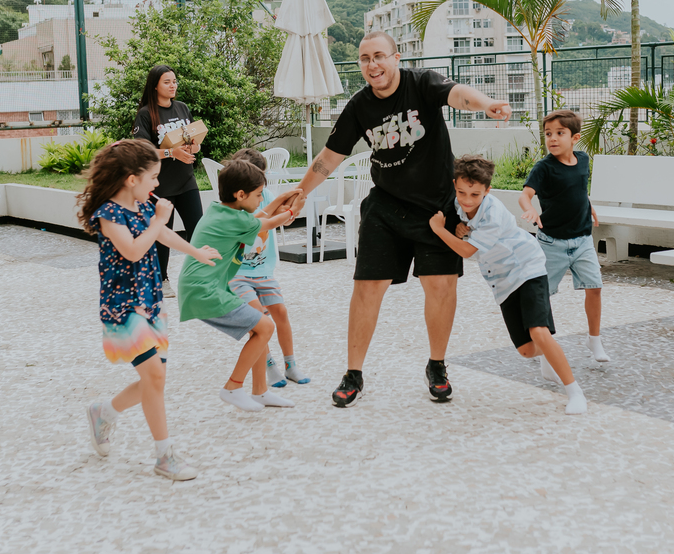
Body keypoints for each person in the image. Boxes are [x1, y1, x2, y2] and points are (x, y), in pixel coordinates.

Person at [287, 30, 511, 408]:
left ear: (396, 57)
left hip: (436, 210)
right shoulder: (359, 106)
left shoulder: (421, 83)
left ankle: (437, 366)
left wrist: (486, 103)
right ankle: (353, 372)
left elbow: (456, 94)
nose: (372, 65)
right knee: (367, 288)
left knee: (440, 287)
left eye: (379, 56)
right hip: (385, 207)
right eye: (364, 59)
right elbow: (329, 157)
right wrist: (301, 191)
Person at [78, 139, 222, 480]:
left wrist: (196, 251)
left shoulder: (145, 205)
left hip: (149, 302)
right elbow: (132, 249)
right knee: (155, 377)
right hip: (123, 307)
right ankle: (165, 456)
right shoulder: (110, 214)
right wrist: (159, 221)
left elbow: (163, 237)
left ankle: (104, 412)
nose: (157, 183)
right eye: (153, 177)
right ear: (132, 179)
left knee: (152, 381)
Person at [430, 155, 587, 415]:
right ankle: (550, 351)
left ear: (487, 191)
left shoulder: (493, 212)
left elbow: (468, 251)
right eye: (461, 192)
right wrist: (460, 225)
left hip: (527, 267)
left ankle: (575, 392)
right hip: (502, 280)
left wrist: (439, 229)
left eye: (475, 194)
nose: (467, 199)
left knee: (538, 331)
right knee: (527, 351)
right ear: (454, 184)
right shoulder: (458, 204)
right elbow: (464, 225)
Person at [177, 159, 304, 412]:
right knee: (265, 327)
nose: (261, 199)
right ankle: (233, 387)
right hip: (204, 290)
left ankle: (260, 392)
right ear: (240, 194)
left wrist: (280, 200)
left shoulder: (223, 211)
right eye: (258, 195)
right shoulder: (234, 220)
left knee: (259, 329)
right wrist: (291, 211)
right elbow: (264, 223)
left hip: (204, 286)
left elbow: (259, 216)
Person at [519, 110, 609, 363]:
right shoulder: (543, 167)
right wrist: (530, 211)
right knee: (542, 295)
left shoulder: (583, 160)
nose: (553, 139)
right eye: (548, 134)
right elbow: (524, 195)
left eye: (560, 133)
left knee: (595, 288)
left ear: (575, 137)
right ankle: (546, 346)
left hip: (582, 240)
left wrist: (588, 205)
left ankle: (595, 341)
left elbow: (579, 190)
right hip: (551, 244)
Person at [225, 148, 311, 388]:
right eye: (258, 179)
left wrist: (289, 211)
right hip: (238, 276)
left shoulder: (266, 195)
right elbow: (257, 221)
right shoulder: (232, 206)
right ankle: (269, 364)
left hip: (263, 271)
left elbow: (282, 216)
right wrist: (281, 209)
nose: (262, 185)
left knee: (280, 313)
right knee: (259, 320)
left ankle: (290, 364)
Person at [132, 64, 202, 297]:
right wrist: (172, 153)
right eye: (167, 82)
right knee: (162, 233)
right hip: (160, 184)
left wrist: (194, 146)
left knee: (198, 229)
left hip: (186, 180)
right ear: (155, 86)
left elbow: (194, 141)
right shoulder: (145, 114)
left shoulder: (182, 108)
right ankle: (161, 280)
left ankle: (199, 277)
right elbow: (144, 150)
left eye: (174, 81)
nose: (173, 86)